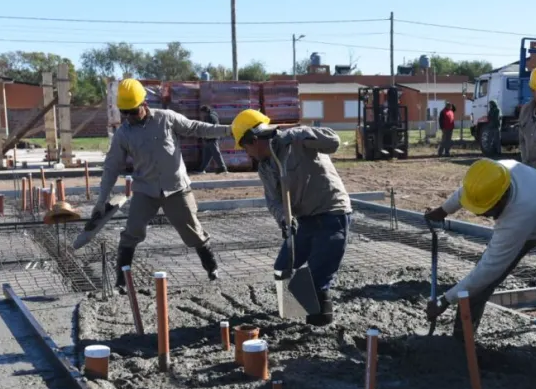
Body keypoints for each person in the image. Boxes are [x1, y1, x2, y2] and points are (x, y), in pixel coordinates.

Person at [425, 158, 536, 361]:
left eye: (484, 211)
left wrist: (445, 300)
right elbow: (469, 192)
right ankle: (460, 342)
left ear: (499, 202)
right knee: (480, 286)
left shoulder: (517, 217)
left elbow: (489, 269)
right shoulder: (494, 175)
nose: (481, 214)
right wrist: (444, 210)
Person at [91, 79, 232, 291]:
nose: (128, 116)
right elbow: (111, 168)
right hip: (145, 190)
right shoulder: (124, 134)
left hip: (176, 188)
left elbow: (196, 128)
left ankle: (212, 269)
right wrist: (101, 201)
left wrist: (229, 130)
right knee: (131, 233)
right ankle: (122, 280)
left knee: (193, 232)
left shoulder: (166, 118)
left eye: (132, 111)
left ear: (144, 104)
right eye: (124, 112)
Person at [231, 109, 352, 326]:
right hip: (304, 221)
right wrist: (284, 220)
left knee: (314, 281)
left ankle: (319, 325)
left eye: (244, 146)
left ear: (254, 139)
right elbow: (273, 201)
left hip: (331, 214)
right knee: (282, 269)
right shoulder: (265, 167)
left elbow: (333, 142)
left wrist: (298, 133)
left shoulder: (297, 142)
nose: (246, 153)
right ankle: (292, 317)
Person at [197, 105, 228, 174]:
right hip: (210, 138)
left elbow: (209, 128)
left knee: (216, 153)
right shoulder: (212, 115)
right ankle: (201, 169)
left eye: (202, 113)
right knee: (207, 155)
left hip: (212, 138)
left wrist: (205, 136)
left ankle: (223, 168)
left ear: (205, 111)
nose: (201, 115)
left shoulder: (210, 117)